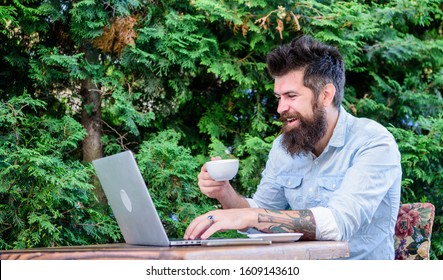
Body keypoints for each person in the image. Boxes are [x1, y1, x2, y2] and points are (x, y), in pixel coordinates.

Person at [184, 35, 402, 260]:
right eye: (279, 97)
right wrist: (225, 193)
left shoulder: (374, 143)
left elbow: (338, 224)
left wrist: (253, 217)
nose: (280, 108)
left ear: (325, 95)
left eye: (291, 96)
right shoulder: (283, 146)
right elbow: (261, 212)